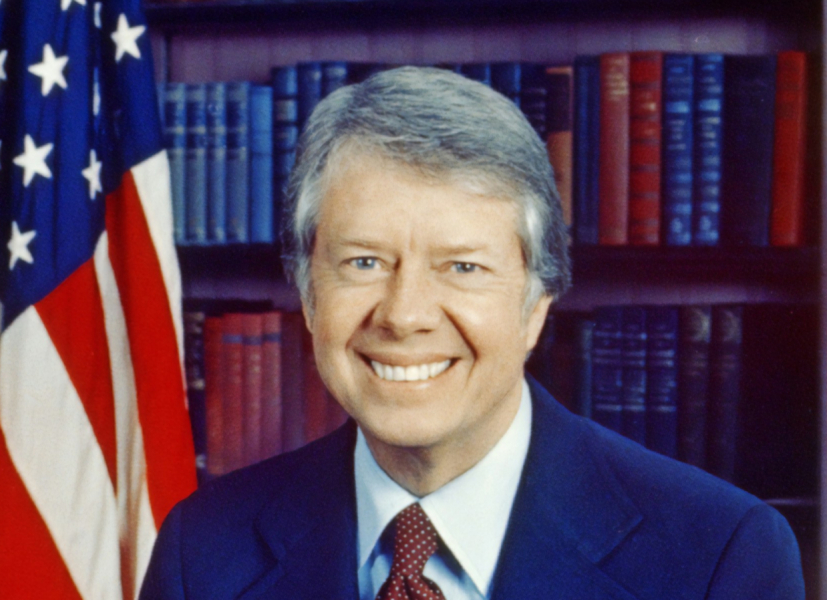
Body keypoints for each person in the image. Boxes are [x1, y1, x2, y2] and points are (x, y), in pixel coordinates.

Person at [140, 66, 804, 599]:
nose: (404, 315)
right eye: (364, 262)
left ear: (536, 303)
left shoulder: (720, 558)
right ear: (309, 297)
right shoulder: (203, 553)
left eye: (462, 267)